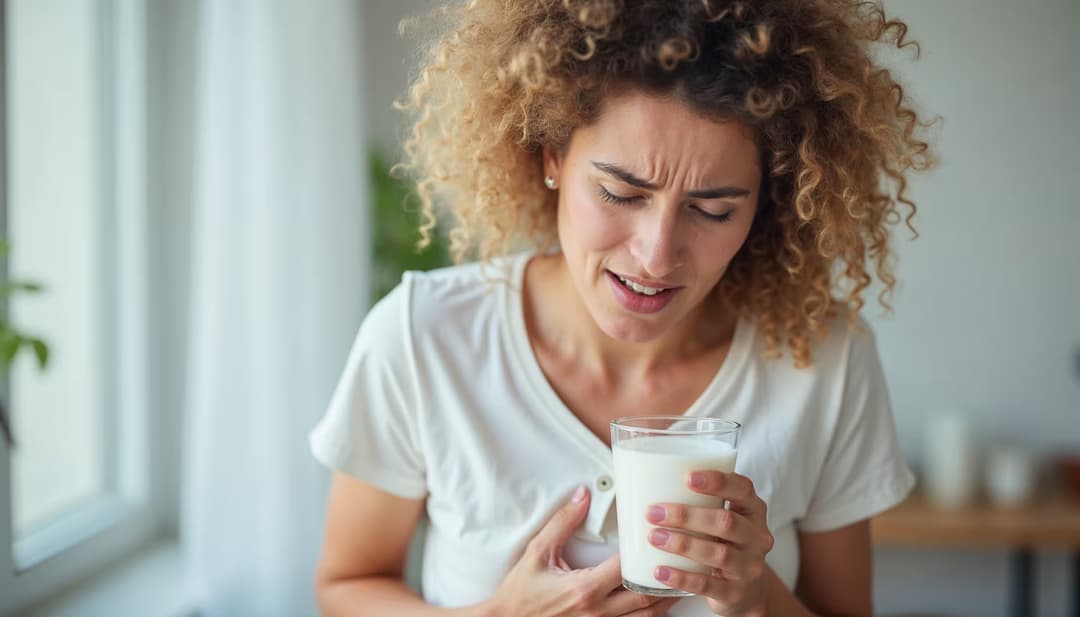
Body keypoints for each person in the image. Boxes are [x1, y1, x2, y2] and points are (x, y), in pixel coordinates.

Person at [310, 0, 935, 615]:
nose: (657, 257)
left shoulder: (821, 361)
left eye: (713, 210)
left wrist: (758, 599)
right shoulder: (426, 336)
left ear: (766, 202)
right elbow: (345, 587)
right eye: (619, 193)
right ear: (552, 155)